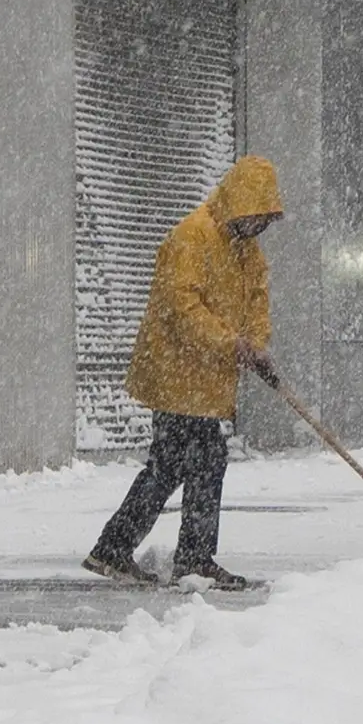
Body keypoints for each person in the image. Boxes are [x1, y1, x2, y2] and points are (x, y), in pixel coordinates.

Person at [84, 155, 284, 589]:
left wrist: (257, 345)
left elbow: (257, 302)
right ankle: (190, 558)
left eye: (265, 220)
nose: (259, 227)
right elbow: (181, 307)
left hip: (204, 379)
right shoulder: (191, 237)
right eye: (255, 217)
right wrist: (231, 343)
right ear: (238, 204)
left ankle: (114, 549)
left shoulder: (247, 251)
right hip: (175, 372)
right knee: (204, 460)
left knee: (170, 467)